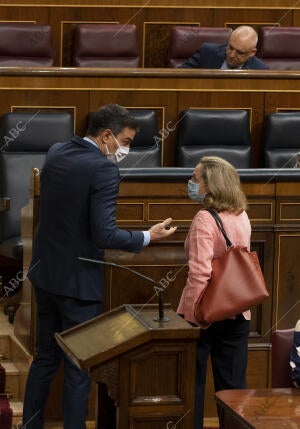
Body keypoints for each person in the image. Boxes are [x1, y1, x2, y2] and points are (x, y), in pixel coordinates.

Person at [22, 103, 177, 429]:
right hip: (78, 284)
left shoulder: (57, 151)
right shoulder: (104, 169)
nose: (127, 149)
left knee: (45, 358)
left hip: (46, 274)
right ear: (106, 135)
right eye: (126, 141)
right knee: (79, 366)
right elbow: (104, 233)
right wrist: (147, 236)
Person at [177, 156, 251, 429]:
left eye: (196, 178)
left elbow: (200, 273)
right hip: (237, 310)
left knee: (191, 388)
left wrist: (196, 316)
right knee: (233, 391)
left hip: (204, 314)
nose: (191, 183)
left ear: (210, 185)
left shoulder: (204, 218)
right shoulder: (241, 214)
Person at [179, 25, 269, 70]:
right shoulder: (207, 53)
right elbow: (179, 76)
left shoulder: (260, 70)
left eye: (240, 52)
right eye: (230, 47)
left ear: (252, 53)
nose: (232, 55)